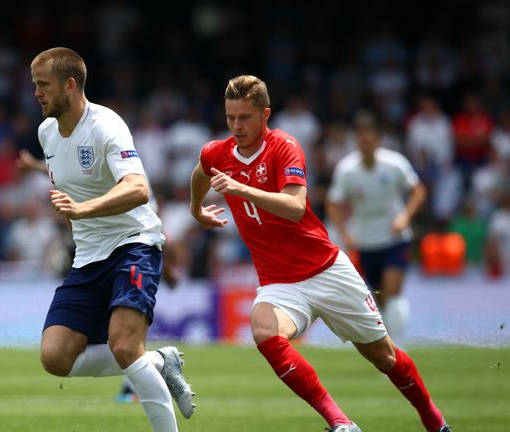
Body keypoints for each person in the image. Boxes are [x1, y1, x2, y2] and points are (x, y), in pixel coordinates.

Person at [189, 75, 450, 432]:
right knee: (264, 331)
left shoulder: (284, 147)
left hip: (326, 270)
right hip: (279, 282)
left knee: (383, 357)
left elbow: (295, 207)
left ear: (265, 115)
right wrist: (195, 209)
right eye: (230, 117)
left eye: (244, 118)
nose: (236, 126)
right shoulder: (216, 152)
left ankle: (433, 419)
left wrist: (241, 188)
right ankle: (341, 423)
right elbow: (202, 172)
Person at [27, 47, 194, 431]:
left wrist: (84, 210)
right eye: (34, 84)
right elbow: (68, 192)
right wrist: (76, 223)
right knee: (55, 357)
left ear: (70, 85)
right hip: (88, 257)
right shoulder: (46, 132)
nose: (36, 92)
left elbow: (137, 188)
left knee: (123, 345)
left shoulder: (106, 124)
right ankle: (158, 361)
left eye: (43, 84)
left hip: (132, 244)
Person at [326, 114, 427, 343]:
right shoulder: (347, 169)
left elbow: (418, 191)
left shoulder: (395, 164)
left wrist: (405, 216)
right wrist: (344, 233)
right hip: (365, 242)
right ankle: (389, 344)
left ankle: (400, 347)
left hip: (395, 238)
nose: (365, 144)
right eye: (361, 140)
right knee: (379, 297)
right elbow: (333, 204)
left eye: (369, 139)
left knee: (392, 291)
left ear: (378, 141)